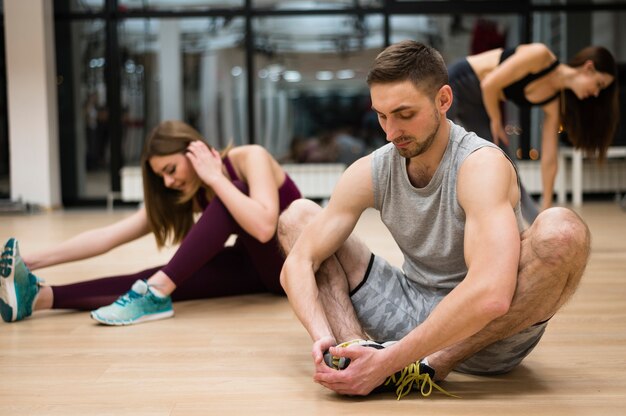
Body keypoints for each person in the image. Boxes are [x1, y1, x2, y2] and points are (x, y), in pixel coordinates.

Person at [276, 40, 591, 399]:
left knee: (563, 230)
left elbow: (491, 295)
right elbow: (298, 262)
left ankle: (423, 366)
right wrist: (323, 337)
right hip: (409, 308)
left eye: (405, 114)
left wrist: (391, 360)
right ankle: (354, 355)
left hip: (487, 336)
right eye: (382, 115)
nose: (391, 132)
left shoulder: (480, 165)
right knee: (296, 217)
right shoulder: (374, 169)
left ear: (443, 100)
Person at [0, 120, 301, 325]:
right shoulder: (186, 192)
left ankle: (156, 293)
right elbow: (110, 235)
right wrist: (29, 261)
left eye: (170, 169)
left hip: (292, 265)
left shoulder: (249, 157)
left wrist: (214, 178)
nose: (168, 182)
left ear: (193, 149)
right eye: (161, 176)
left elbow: (264, 227)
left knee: (233, 191)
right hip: (254, 270)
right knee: (159, 276)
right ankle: (38, 297)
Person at [447, 43, 618, 223]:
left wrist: (547, 203)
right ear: (588, 68)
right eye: (599, 84)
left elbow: (549, 158)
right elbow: (490, 84)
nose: (596, 93)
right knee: (442, 153)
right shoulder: (540, 55)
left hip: (480, 104)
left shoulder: (552, 101)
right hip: (458, 82)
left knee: (507, 166)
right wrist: (496, 120)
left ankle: (540, 224)